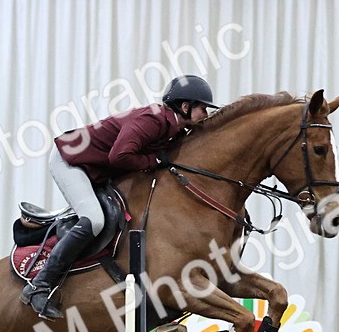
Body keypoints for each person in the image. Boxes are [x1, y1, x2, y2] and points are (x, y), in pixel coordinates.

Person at [20, 75, 217, 319]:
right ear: (185, 106)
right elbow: (119, 156)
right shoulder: (153, 120)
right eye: (202, 108)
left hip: (96, 166)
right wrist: (153, 160)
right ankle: (39, 285)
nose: (205, 114)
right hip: (71, 161)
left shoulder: (173, 128)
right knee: (95, 220)